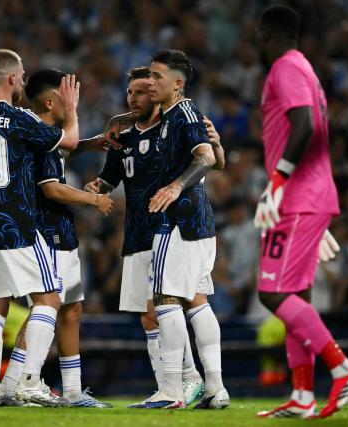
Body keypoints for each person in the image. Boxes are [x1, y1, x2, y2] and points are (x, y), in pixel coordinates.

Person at [252, 5, 348, 419]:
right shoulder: (305, 68)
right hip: (309, 198)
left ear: (265, 35)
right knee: (296, 295)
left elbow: (304, 125)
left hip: (297, 199)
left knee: (273, 292)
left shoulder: (284, 68)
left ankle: (344, 368)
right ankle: (303, 395)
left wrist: (280, 184)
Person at [85, 66, 222, 408]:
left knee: (173, 303)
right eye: (130, 92)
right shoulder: (123, 138)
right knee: (158, 312)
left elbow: (211, 158)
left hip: (169, 226)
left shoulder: (176, 123)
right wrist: (95, 190)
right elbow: (109, 180)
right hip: (139, 231)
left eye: (143, 91)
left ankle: (178, 386)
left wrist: (215, 147)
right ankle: (193, 384)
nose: (134, 98)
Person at [0, 49, 79, 407]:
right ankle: (29, 381)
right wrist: (71, 110)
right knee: (49, 298)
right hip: (16, 223)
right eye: (22, 76)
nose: (24, 82)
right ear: (12, 79)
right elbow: (69, 140)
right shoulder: (17, 118)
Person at [0, 68, 114, 408]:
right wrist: (94, 199)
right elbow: (50, 187)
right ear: (51, 102)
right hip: (45, 231)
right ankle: (21, 383)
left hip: (59, 231)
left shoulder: (40, 134)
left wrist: (89, 143)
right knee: (46, 307)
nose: (74, 102)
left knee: (70, 310)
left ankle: (70, 391)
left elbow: (56, 156)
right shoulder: (43, 132)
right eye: (69, 96)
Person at [143, 49, 229, 409]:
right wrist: (218, 144)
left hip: (178, 220)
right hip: (199, 222)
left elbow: (206, 158)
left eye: (157, 76)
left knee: (164, 298)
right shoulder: (174, 116)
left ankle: (173, 391)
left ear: (177, 84)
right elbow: (217, 157)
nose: (150, 81)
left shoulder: (182, 113)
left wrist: (176, 185)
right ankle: (215, 388)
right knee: (196, 301)